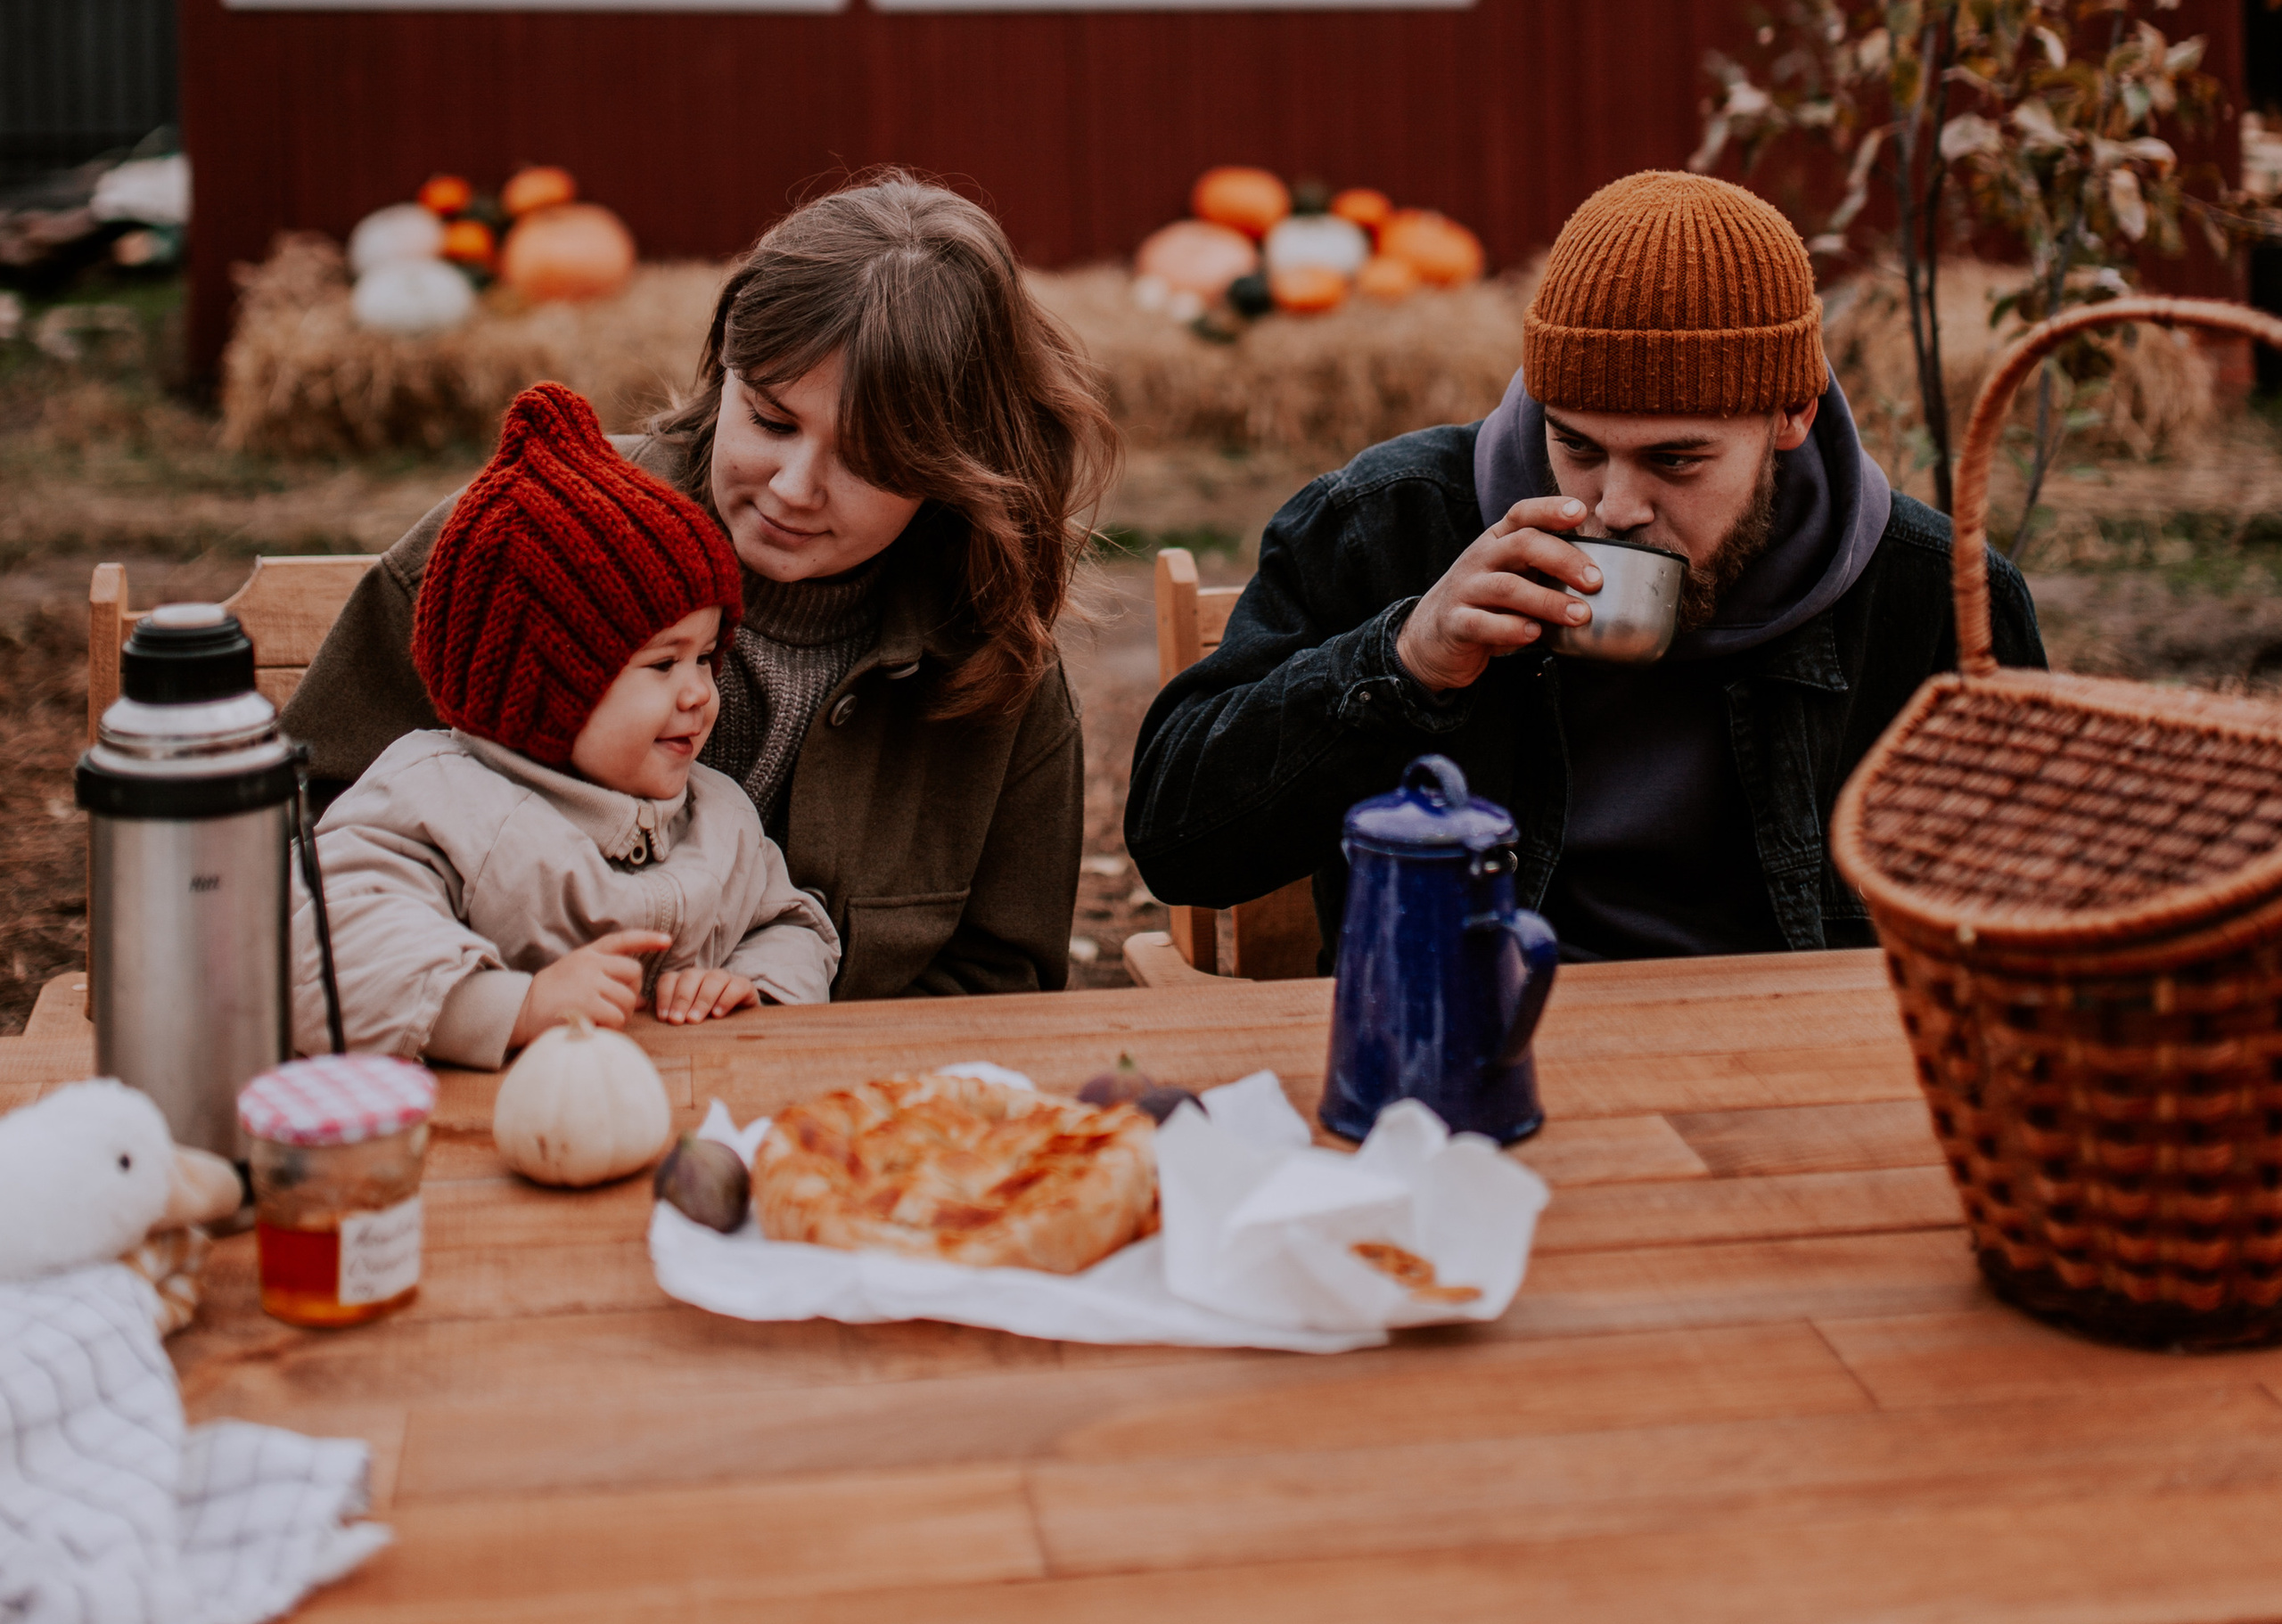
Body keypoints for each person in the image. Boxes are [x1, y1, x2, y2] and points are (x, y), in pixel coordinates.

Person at [1125, 168, 2045, 962]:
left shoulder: (1928, 596)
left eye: (1675, 460)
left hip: (1792, 1083)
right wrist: (1403, 658)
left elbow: (2039, 923)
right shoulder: (1390, 524)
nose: (1614, 506)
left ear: (1790, 416)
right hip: (1463, 1064)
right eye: (1578, 447)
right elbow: (1179, 846)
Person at [285, 175, 1115, 998]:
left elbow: (1000, 983)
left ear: (951, 467)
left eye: (869, 459)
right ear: (724, 371)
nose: (794, 487)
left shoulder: (997, 666)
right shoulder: (520, 544)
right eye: (771, 420)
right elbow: (313, 855)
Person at [294, 382, 840, 1062]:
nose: (699, 692)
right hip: (494, 1134)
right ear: (546, 689)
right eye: (662, 665)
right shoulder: (437, 805)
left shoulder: (717, 816)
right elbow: (324, 950)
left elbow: (791, 924)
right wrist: (515, 1007)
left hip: (695, 1126)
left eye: (705, 658)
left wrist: (751, 985)